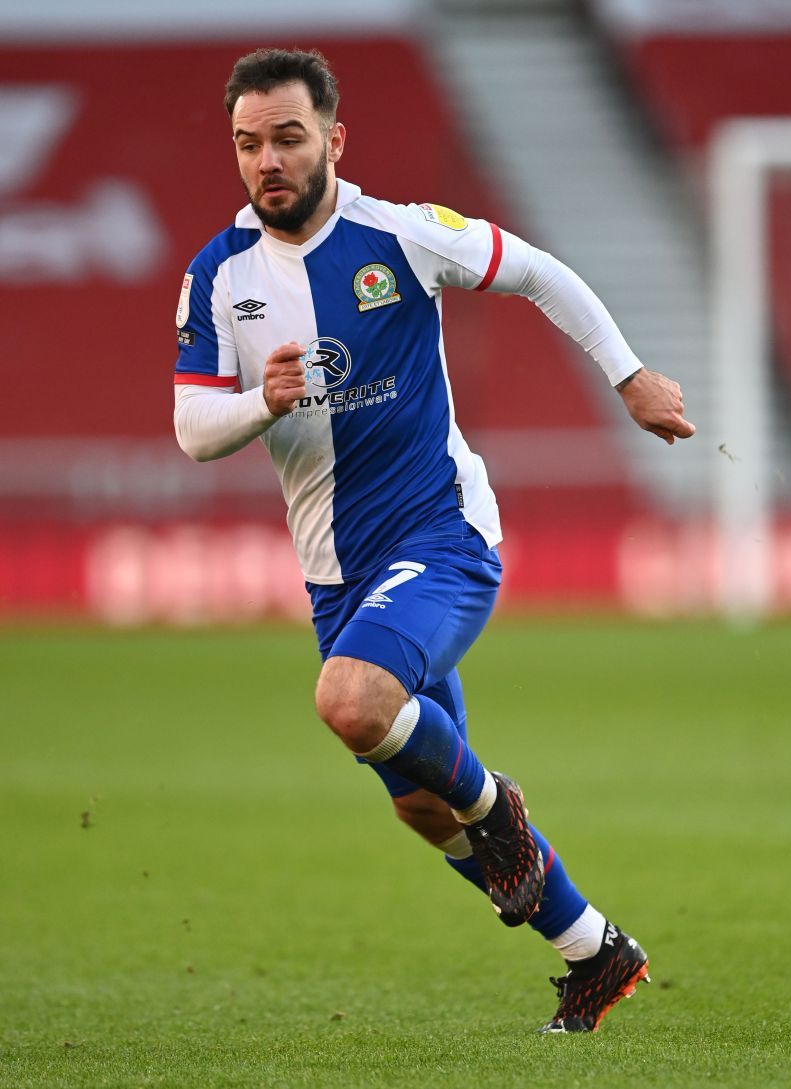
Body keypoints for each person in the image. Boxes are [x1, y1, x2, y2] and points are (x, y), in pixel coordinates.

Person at [173, 47, 695, 1033]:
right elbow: (192, 430)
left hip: (440, 537)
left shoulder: (401, 237)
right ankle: (594, 954)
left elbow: (540, 273)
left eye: (287, 137)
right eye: (248, 143)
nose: (266, 160)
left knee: (351, 700)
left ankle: (498, 811)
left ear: (332, 137)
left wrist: (627, 377)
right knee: (419, 803)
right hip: (337, 577)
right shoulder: (218, 276)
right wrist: (260, 400)